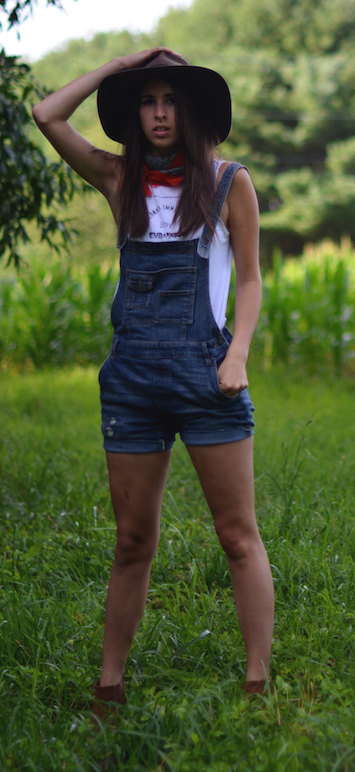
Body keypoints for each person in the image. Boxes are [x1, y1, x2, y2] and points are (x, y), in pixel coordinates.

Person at [33, 48, 274, 713]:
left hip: (210, 377)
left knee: (236, 535)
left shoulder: (229, 183)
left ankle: (257, 682)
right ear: (133, 113)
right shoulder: (119, 180)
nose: (160, 112)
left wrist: (238, 356)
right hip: (132, 381)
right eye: (146, 99)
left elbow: (251, 280)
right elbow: (46, 114)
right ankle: (109, 683)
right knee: (133, 540)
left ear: (191, 110)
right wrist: (117, 64)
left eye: (170, 100)